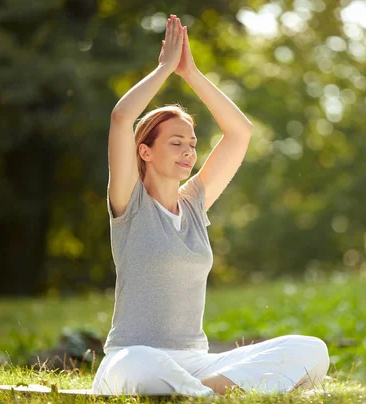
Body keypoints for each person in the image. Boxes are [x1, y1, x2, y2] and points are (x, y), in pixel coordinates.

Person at [91, 13, 330, 397]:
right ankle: (208, 392)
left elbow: (240, 132)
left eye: (192, 144)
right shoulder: (130, 205)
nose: (188, 151)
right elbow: (121, 118)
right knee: (140, 366)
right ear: (145, 151)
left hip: (198, 360)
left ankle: (194, 392)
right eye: (175, 142)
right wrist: (165, 69)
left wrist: (191, 74)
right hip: (134, 356)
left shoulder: (195, 205)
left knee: (311, 350)